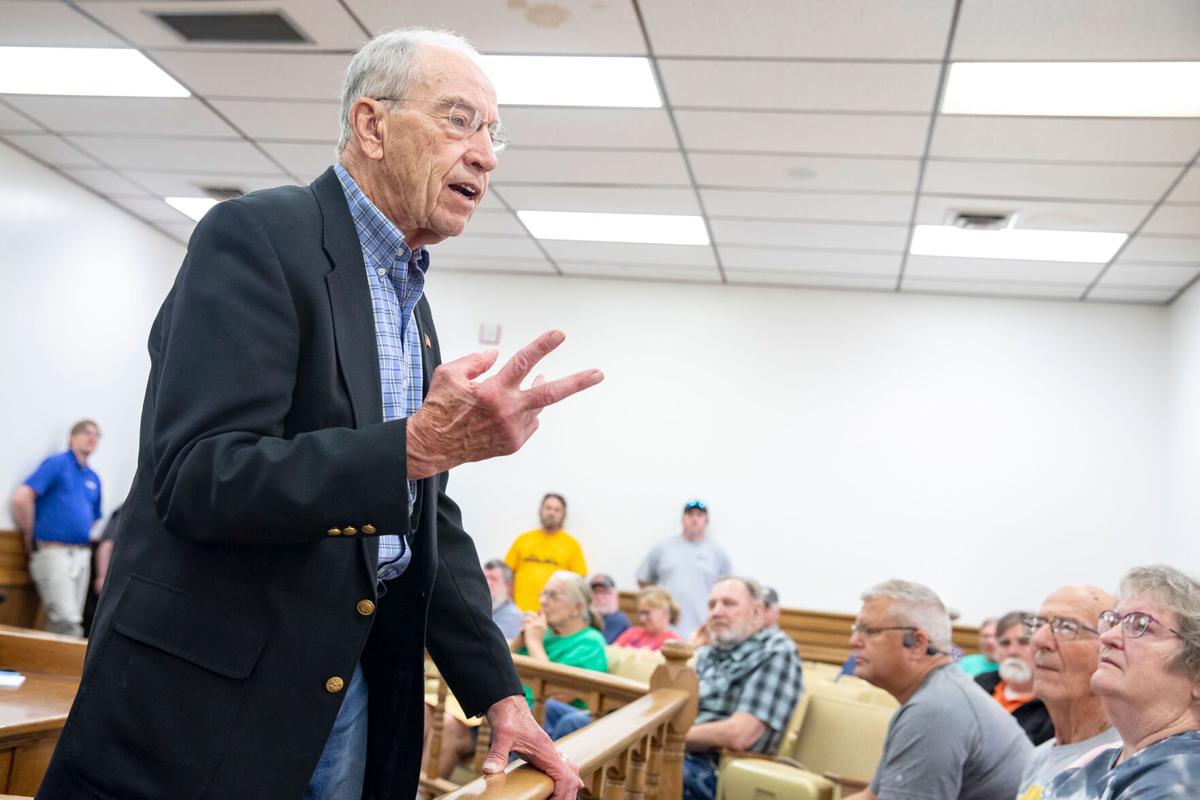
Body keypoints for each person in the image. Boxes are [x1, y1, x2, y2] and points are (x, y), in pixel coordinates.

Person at [37, 29, 602, 800]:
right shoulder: (257, 237)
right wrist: (413, 445)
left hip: (350, 688)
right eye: (460, 120)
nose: (487, 154)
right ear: (372, 125)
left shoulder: (414, 301)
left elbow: (424, 516)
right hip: (210, 704)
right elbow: (200, 475)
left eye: (494, 133)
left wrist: (497, 691)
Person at [844, 579, 1031, 800]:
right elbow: (871, 796)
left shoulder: (935, 709)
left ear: (917, 643)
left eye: (868, 631)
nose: (853, 641)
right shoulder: (937, 694)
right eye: (856, 629)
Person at [1043, 565, 1200, 799]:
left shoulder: (1184, 776)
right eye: (1113, 621)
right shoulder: (1096, 760)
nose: (1108, 637)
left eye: (1140, 625)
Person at [683, 577, 804, 800]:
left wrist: (669, 737)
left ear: (757, 612)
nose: (716, 612)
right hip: (679, 752)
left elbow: (741, 734)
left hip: (719, 768)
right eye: (712, 605)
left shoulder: (775, 651)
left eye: (728, 603)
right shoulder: (707, 653)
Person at [1016, 585, 1120, 800]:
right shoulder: (1039, 756)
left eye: (1066, 627)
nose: (1039, 641)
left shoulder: (1125, 760)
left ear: (1111, 648)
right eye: (1038, 624)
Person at [10, 419, 103, 637]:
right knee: (66, 621)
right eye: (86, 432)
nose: (91, 437)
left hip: (80, 555)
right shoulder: (57, 464)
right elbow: (21, 499)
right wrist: (29, 535)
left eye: (96, 435)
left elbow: (94, 517)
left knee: (74, 620)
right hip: (53, 551)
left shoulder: (93, 477)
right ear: (72, 437)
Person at [637, 500, 732, 639]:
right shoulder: (663, 548)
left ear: (706, 521)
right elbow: (644, 581)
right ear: (683, 519)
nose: (694, 519)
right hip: (664, 630)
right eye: (690, 515)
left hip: (702, 629)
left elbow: (727, 591)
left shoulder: (718, 554)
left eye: (699, 515)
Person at [975, 610, 1054, 744]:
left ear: (1040, 647)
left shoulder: (1052, 704)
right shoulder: (979, 685)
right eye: (1005, 643)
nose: (1013, 652)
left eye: (1023, 642)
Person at [504, 493, 587, 611]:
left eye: (557, 510)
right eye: (548, 508)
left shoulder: (572, 545)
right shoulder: (523, 539)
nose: (551, 513)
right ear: (541, 510)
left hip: (553, 615)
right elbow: (506, 574)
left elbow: (579, 581)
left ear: (563, 515)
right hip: (519, 612)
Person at [615, 585, 683, 651]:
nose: (642, 619)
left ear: (665, 612)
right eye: (641, 613)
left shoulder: (674, 643)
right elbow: (612, 652)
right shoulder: (633, 633)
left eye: (647, 613)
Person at [484, 559, 524, 640]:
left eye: (493, 579)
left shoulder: (512, 616)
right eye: (484, 578)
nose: (487, 583)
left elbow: (490, 645)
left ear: (508, 585)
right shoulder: (485, 610)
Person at [590, 573, 630, 643]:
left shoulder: (617, 619)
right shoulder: (588, 617)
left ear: (615, 596)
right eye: (595, 592)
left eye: (604, 592)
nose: (599, 597)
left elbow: (600, 645)